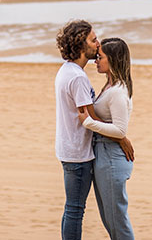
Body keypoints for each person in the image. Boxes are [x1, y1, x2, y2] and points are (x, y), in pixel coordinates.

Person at [55, 21, 133, 240]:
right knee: (75, 210)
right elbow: (88, 116)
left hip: (72, 148)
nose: (98, 45)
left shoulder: (68, 71)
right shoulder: (78, 77)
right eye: (93, 39)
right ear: (81, 45)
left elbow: (89, 117)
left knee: (75, 209)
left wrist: (119, 135)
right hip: (78, 152)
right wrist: (121, 138)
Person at [79, 37, 135, 240]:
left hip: (111, 157)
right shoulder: (109, 88)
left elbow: (120, 131)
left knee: (117, 221)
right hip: (104, 154)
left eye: (100, 57)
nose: (96, 60)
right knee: (110, 219)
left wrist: (88, 123)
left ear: (112, 60)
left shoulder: (118, 92)